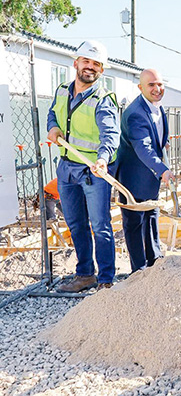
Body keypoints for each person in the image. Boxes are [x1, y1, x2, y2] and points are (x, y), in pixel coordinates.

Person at [46, 40, 119, 292]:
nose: (91, 67)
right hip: (66, 168)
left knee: (100, 226)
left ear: (102, 70)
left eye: (96, 64)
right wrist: (52, 127)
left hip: (93, 171)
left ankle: (106, 280)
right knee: (76, 224)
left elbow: (110, 134)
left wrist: (102, 158)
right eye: (86, 61)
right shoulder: (62, 90)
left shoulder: (103, 98)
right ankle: (85, 274)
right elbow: (53, 113)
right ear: (76, 62)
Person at [115, 69, 172, 273]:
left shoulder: (156, 106)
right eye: (151, 85)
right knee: (134, 222)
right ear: (140, 87)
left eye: (160, 84)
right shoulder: (135, 114)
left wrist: (163, 143)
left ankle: (154, 259)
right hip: (133, 177)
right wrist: (162, 169)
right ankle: (138, 270)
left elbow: (155, 138)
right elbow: (143, 147)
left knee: (151, 215)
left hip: (149, 176)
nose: (157, 89)